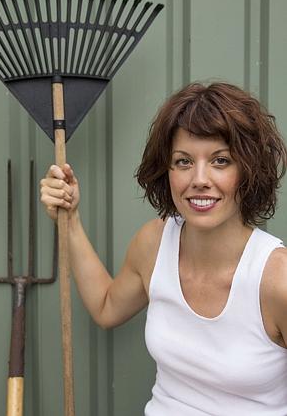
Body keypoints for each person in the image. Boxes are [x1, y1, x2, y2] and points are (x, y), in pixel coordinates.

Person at [40, 82, 287, 415]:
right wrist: (69, 220)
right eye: (183, 162)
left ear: (248, 170)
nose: (199, 179)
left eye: (220, 161)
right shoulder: (155, 243)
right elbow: (106, 306)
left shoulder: (276, 281)